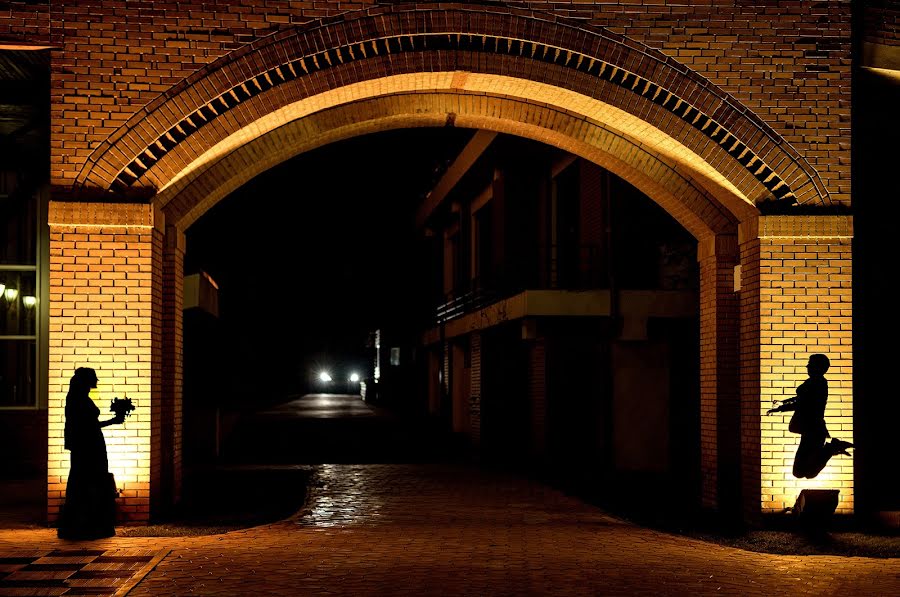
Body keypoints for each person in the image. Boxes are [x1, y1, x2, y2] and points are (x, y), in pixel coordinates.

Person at [57, 367, 125, 540]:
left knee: (88, 480)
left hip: (90, 443)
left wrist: (112, 421)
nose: (97, 381)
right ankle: (86, 524)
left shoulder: (79, 398)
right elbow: (86, 426)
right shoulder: (77, 400)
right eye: (94, 378)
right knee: (87, 480)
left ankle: (88, 523)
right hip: (87, 446)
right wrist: (112, 421)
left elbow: (90, 424)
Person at [767, 354, 853, 479]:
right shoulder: (814, 382)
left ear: (818, 367)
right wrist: (782, 403)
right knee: (802, 471)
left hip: (814, 431)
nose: (807, 366)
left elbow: (803, 403)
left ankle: (831, 448)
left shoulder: (818, 383)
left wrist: (781, 408)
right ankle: (832, 448)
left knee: (803, 472)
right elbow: (801, 399)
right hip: (811, 431)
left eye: (810, 364)